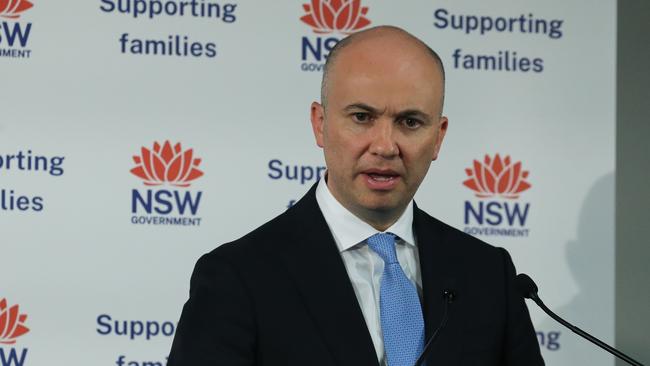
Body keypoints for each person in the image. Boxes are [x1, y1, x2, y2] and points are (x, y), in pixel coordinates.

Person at [168, 26, 544, 366]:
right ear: (320, 124)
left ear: (438, 136)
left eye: (410, 122)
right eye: (362, 117)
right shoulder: (238, 278)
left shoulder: (488, 274)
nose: (385, 146)